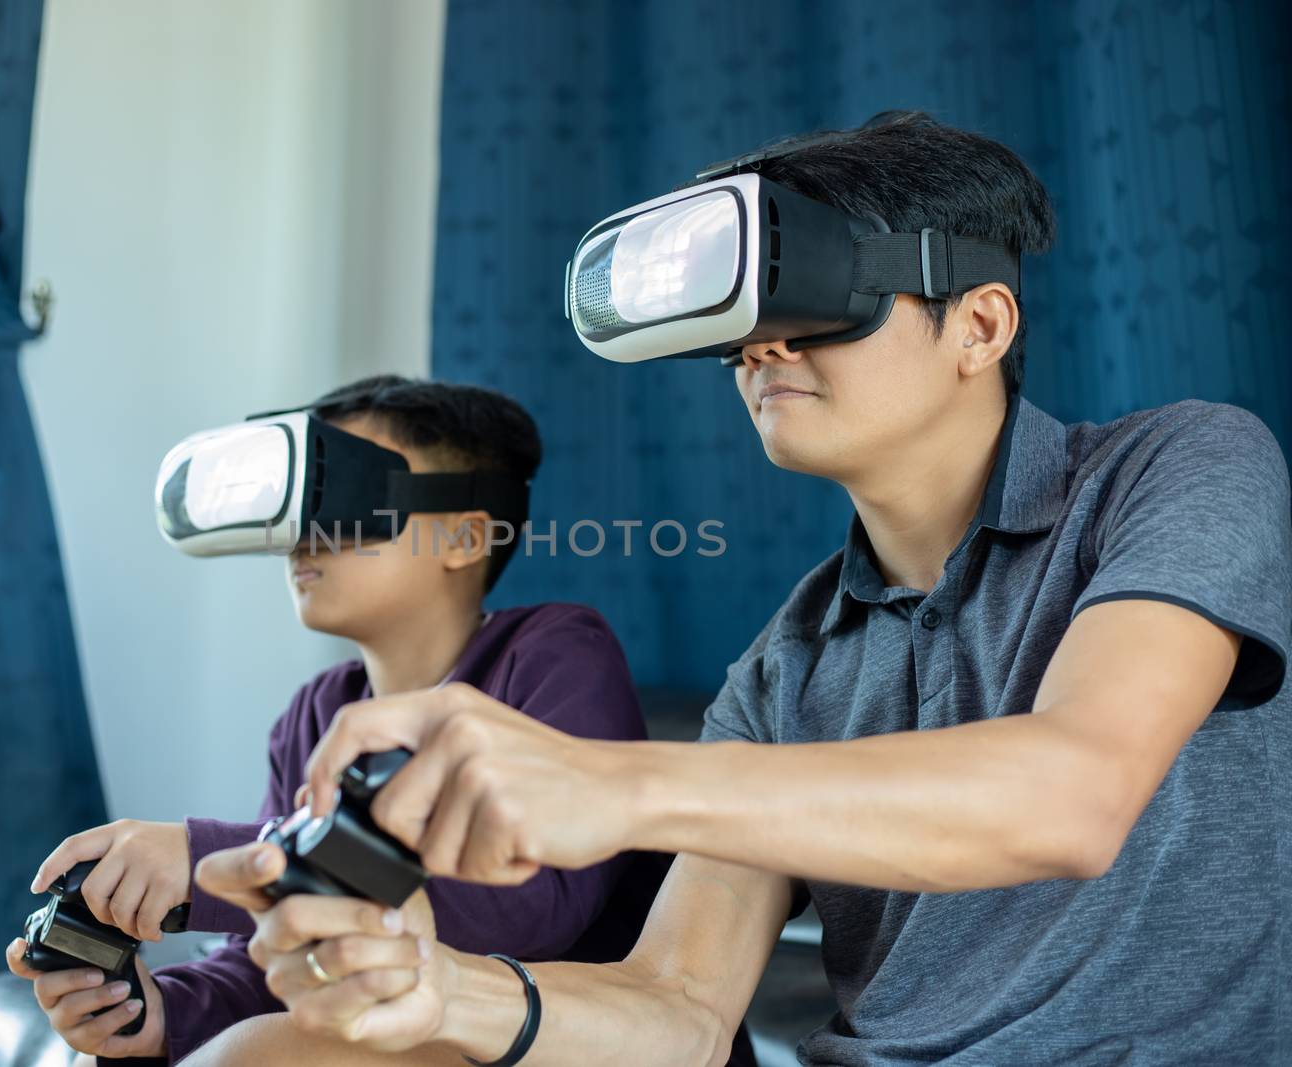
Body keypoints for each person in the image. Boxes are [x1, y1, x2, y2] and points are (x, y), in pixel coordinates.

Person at [192, 113, 1292, 1065]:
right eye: (737, 318)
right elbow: (679, 1006)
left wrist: (612, 784)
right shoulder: (788, 663)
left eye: (815, 298)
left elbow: (1074, 791)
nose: (759, 347)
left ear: (981, 325)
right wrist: (443, 989)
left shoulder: (1180, 467)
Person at [3, 376, 675, 1064]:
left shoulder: (556, 653)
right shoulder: (315, 715)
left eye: (344, 492)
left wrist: (212, 862)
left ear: (465, 536)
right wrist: (160, 1014)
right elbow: (267, 962)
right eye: (299, 501)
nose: (305, 531)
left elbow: (536, 905)